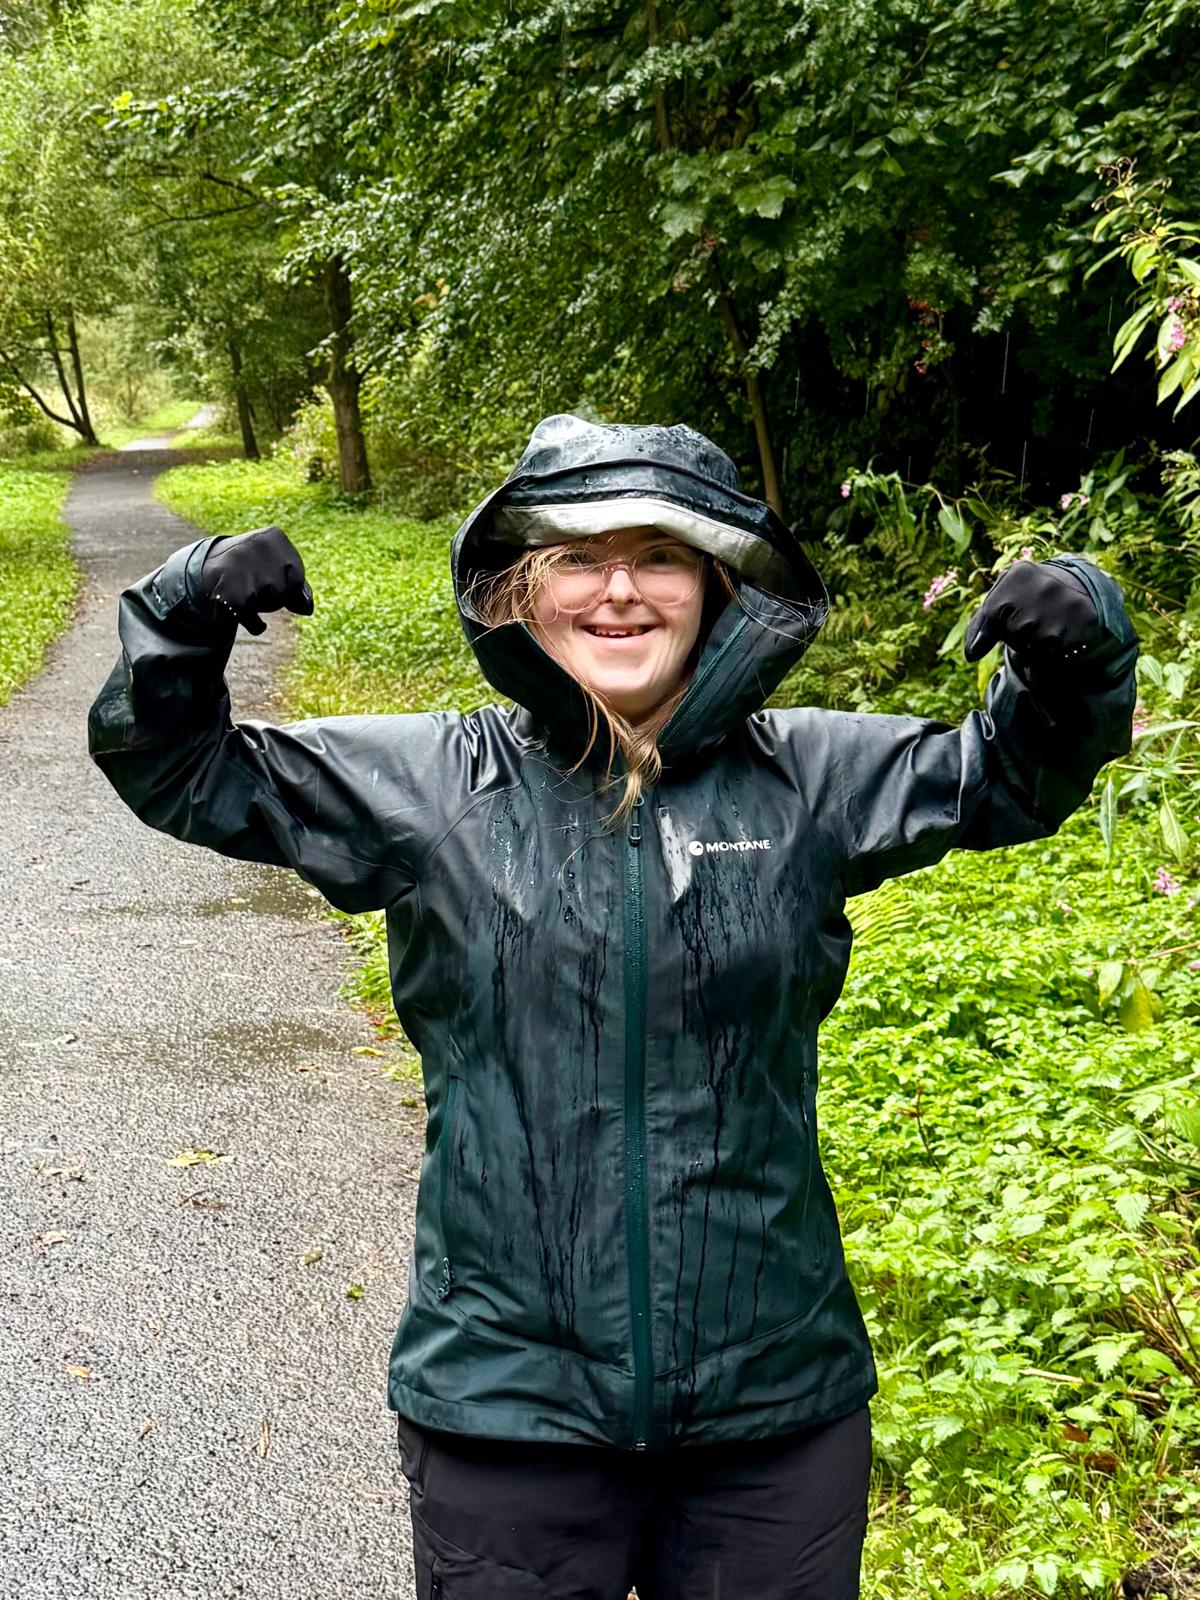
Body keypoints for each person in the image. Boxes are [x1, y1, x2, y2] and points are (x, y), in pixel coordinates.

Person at [88, 413, 1138, 1599]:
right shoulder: (433, 785)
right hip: (506, 1414)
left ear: (716, 584)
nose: (619, 591)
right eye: (579, 557)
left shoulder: (812, 777)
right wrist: (186, 606)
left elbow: (1013, 772)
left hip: (774, 1412)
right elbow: (178, 766)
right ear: (523, 591)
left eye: (660, 556)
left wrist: (1080, 639)